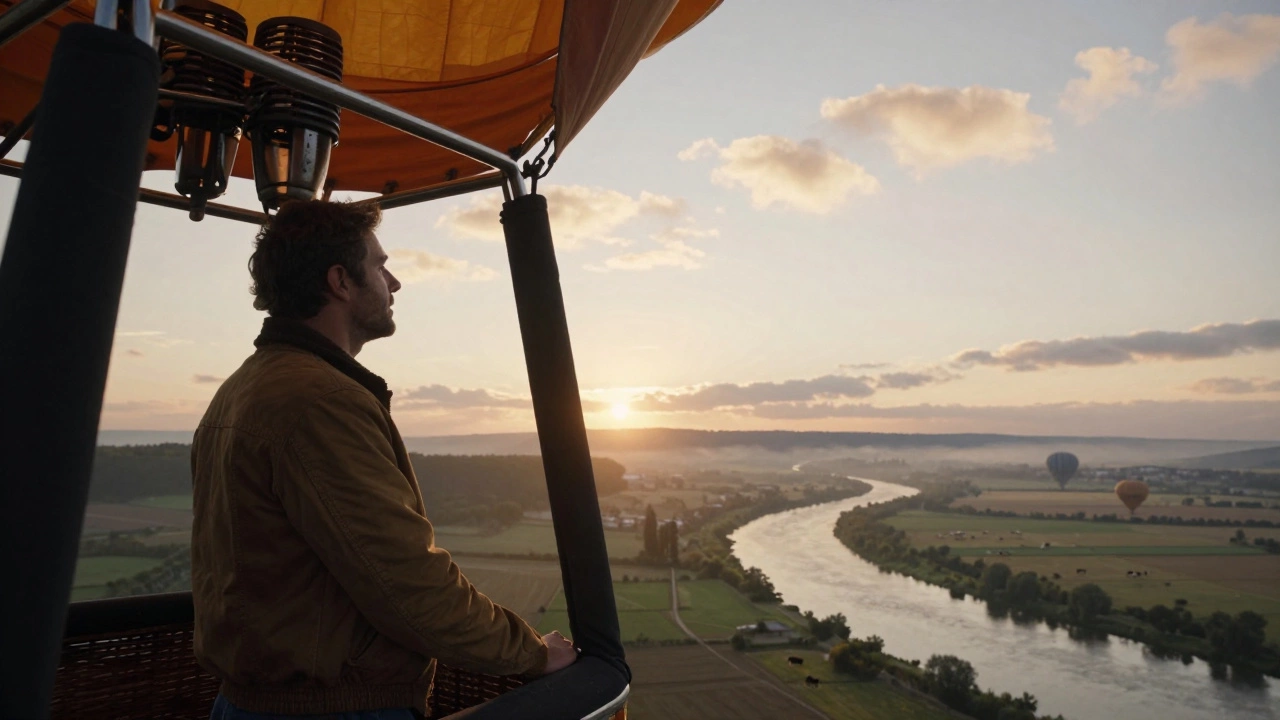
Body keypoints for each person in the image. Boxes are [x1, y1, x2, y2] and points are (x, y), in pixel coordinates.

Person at [191, 200, 576, 720]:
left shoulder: (240, 389)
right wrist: (531, 652)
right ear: (341, 282)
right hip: (332, 710)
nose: (394, 283)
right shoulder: (321, 403)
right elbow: (406, 581)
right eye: (380, 266)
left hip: (252, 704)